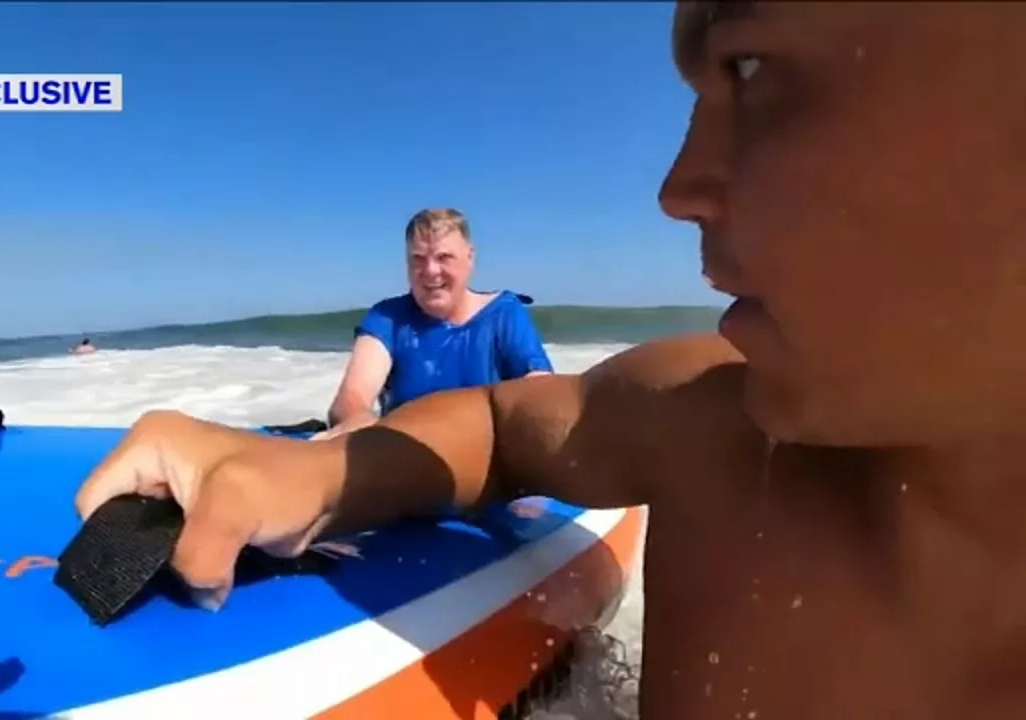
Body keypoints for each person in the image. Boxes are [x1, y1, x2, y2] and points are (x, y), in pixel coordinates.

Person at [74, 3, 1026, 718]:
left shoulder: (514, 325)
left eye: (753, 67)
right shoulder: (708, 428)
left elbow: (520, 388)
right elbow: (500, 425)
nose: (678, 188)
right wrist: (327, 470)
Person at [316, 207, 553, 440]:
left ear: (470, 257)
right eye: (418, 259)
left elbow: (539, 387)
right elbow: (351, 399)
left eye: (444, 257)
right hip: (405, 452)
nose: (430, 271)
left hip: (486, 454)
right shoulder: (388, 318)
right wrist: (358, 424)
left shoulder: (504, 314)